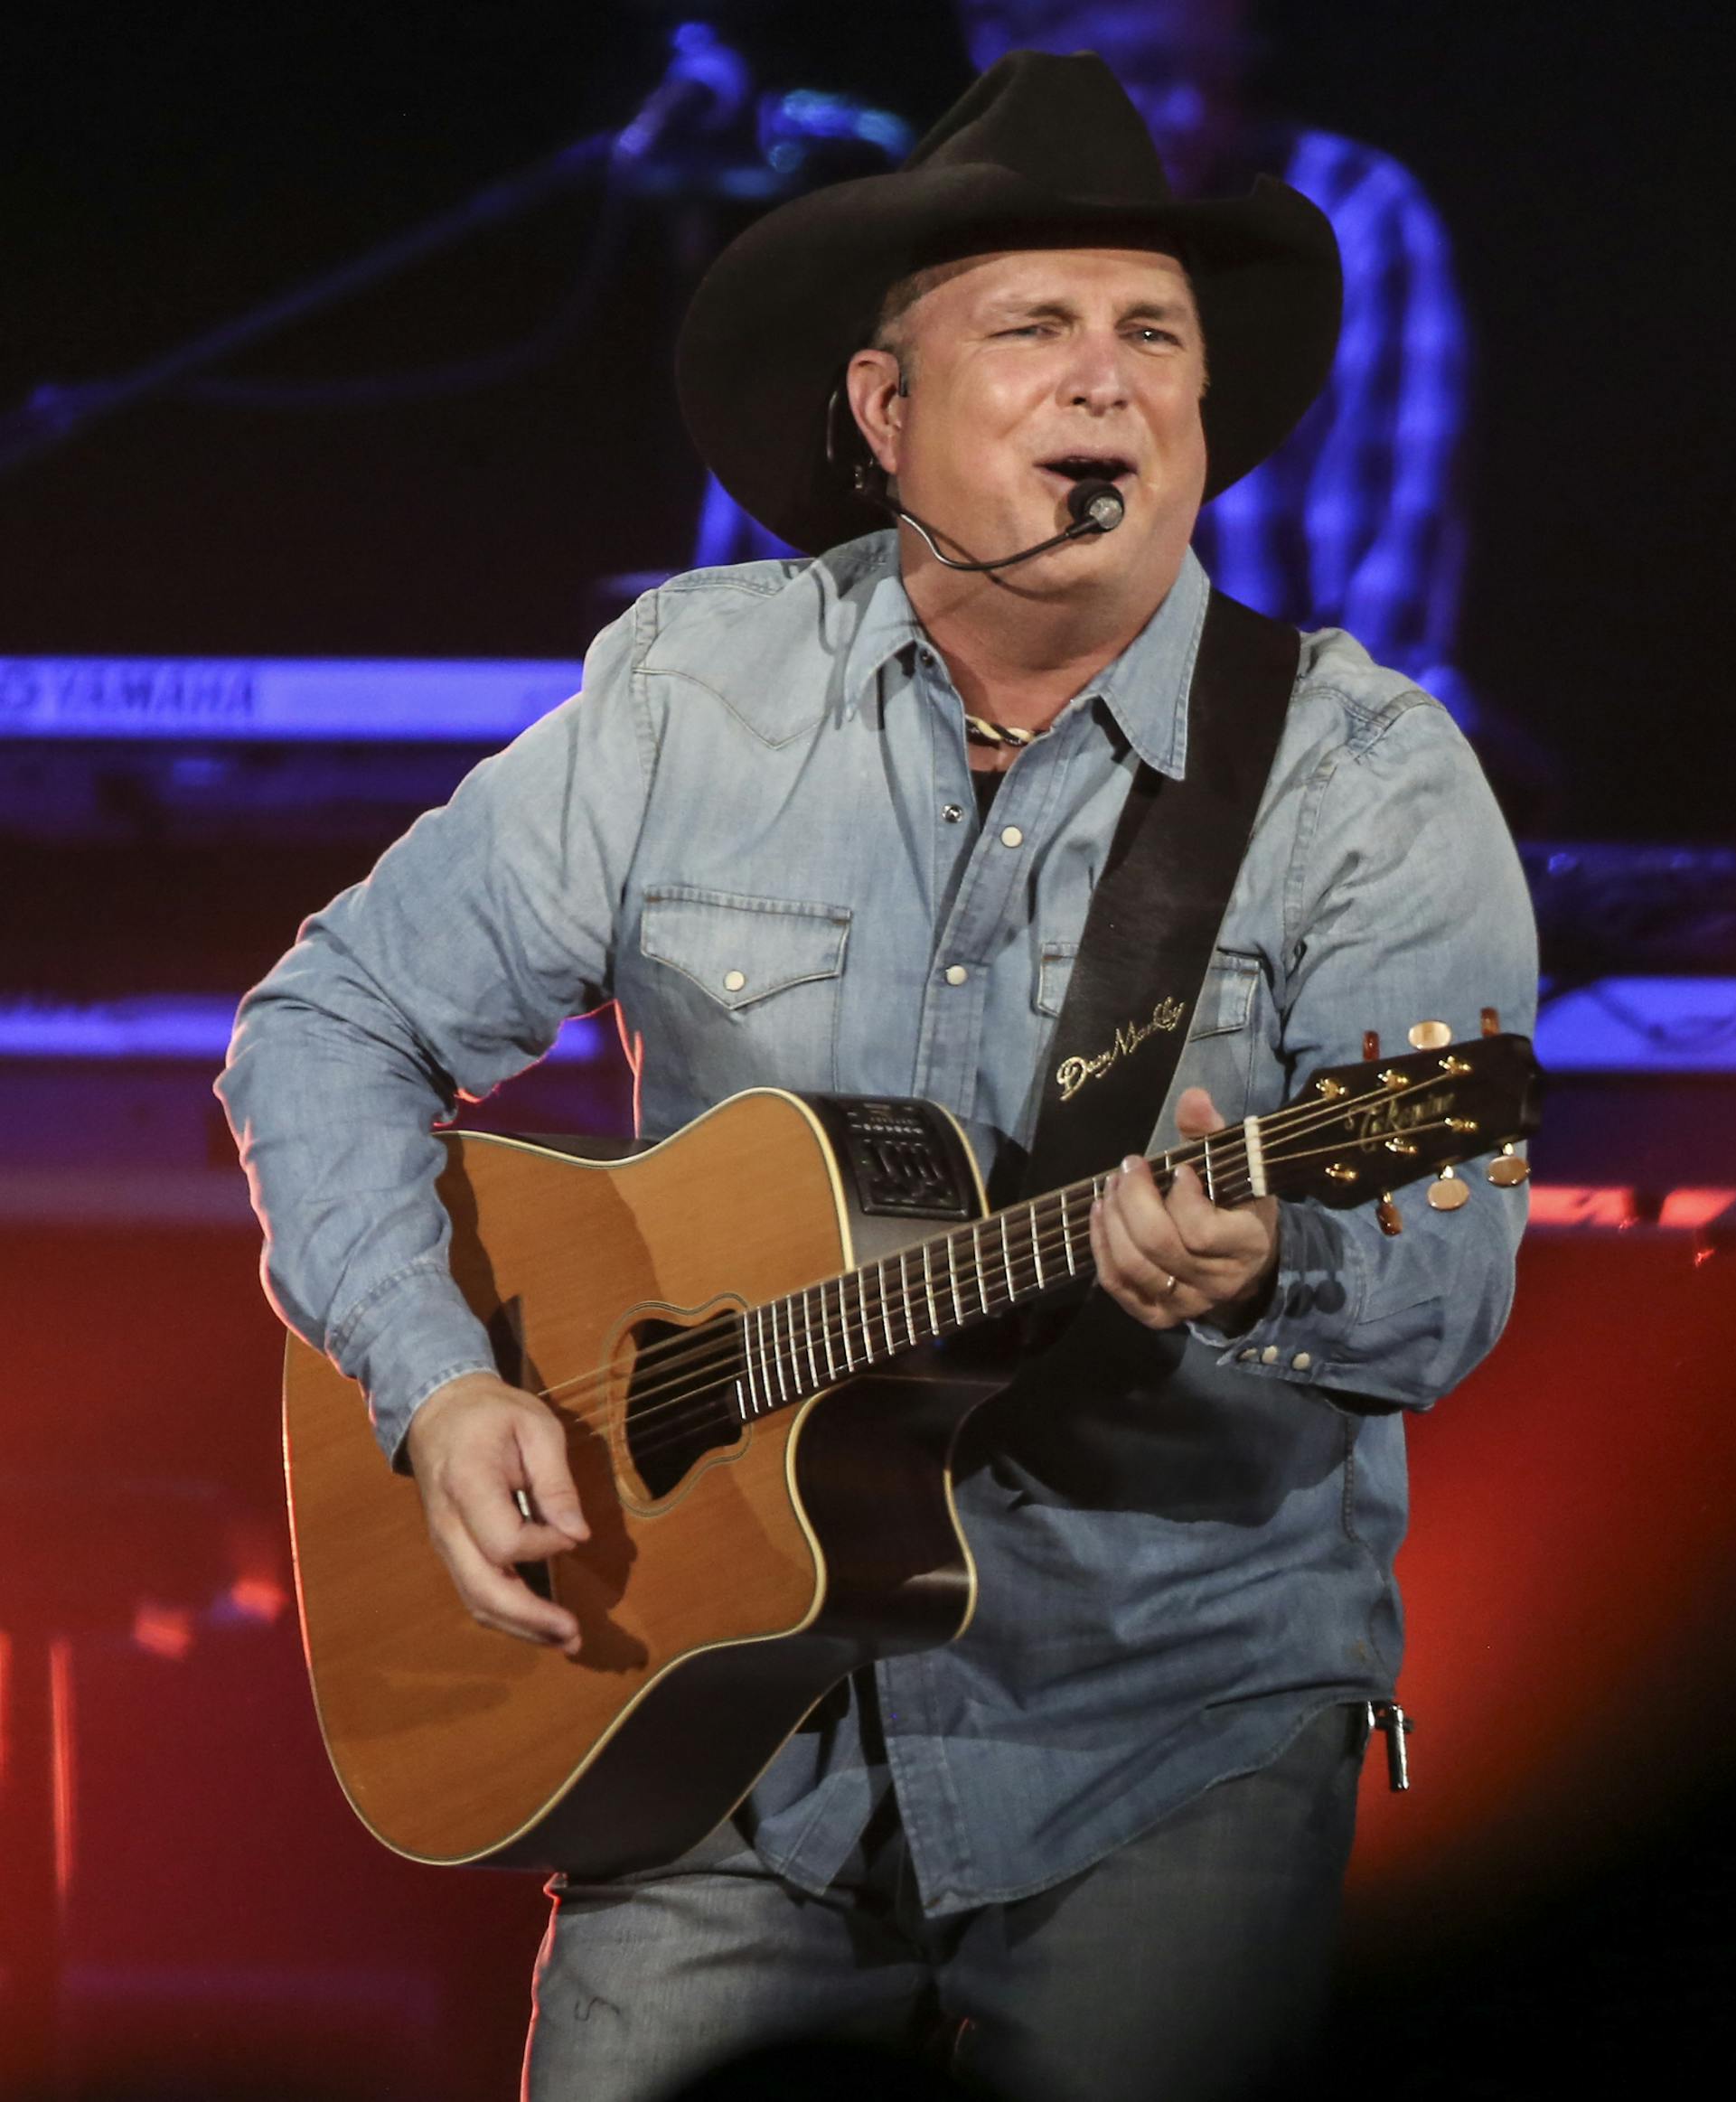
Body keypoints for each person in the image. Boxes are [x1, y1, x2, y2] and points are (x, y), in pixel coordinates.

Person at [218, 51, 1536, 2102]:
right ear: (880, 408)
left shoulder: (1364, 781)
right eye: (1036, 327)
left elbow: (1444, 1272)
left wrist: (1268, 1252)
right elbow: (329, 1024)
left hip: (1158, 1737)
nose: (1106, 379)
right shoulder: (692, 691)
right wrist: (445, 1377)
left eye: (1152, 338)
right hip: (704, 1730)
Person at [697, 0, 1477, 722]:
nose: (1192, 113)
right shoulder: (881, 261)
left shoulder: (1351, 210)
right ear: (1002, 45)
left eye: (1220, 74)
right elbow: (763, 619)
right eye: (1144, 71)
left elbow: (1385, 612)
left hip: (1236, 764)